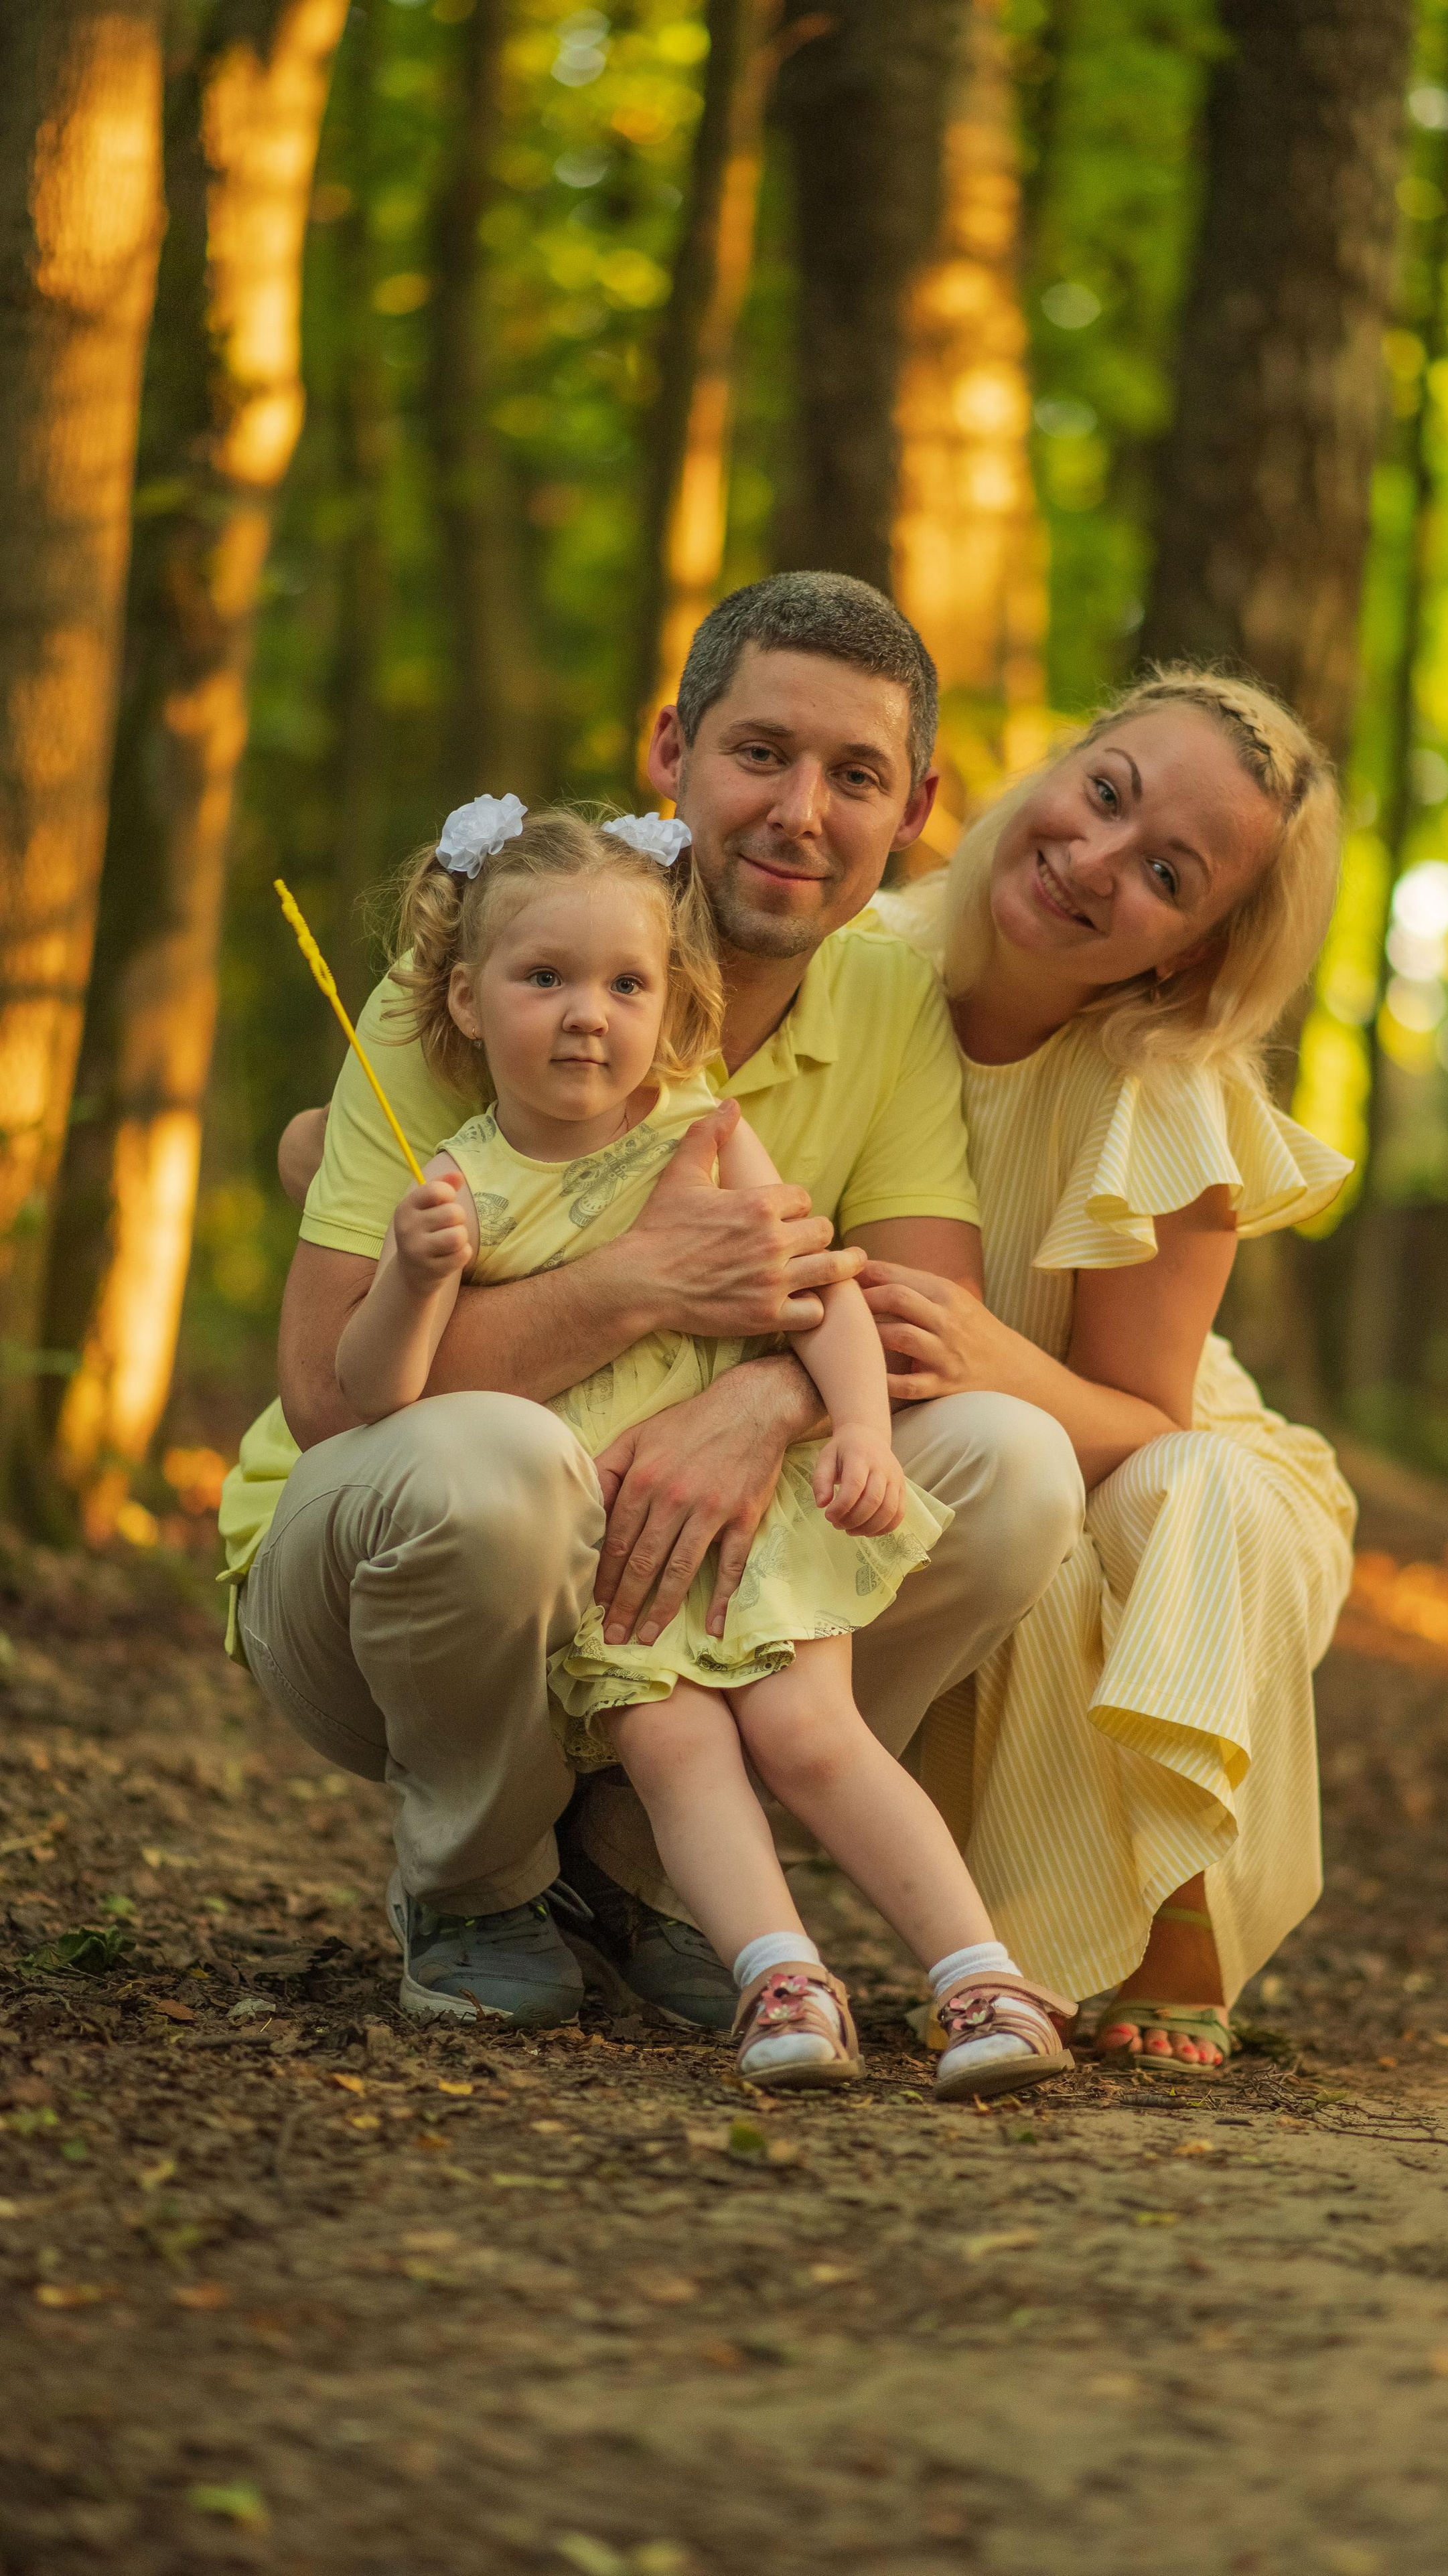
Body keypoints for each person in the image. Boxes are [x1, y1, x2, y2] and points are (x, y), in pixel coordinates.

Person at [221, 573, 1086, 2030]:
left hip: (683, 1590)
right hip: (384, 1564)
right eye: (761, 752)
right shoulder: (490, 971)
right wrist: (642, 1283)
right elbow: (326, 1394)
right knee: (501, 1465)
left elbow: (921, 1316)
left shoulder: (886, 998)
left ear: (914, 809)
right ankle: (477, 1877)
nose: (801, 812)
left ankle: (642, 1870)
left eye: (855, 775)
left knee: (1009, 1462)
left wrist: (759, 1401)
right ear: (670, 748)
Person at [867, 666, 1358, 2078]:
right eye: (1104, 793)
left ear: (1191, 955)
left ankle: (1175, 1917)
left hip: (1178, 1471)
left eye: (1164, 874)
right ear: (1056, 765)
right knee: (1013, 1486)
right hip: (952, 1450)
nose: (1093, 861)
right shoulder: (859, 966)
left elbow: (1149, 1417)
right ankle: (1027, 1934)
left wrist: (991, 1359)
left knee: (1153, 1494)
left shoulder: (1165, 1086)